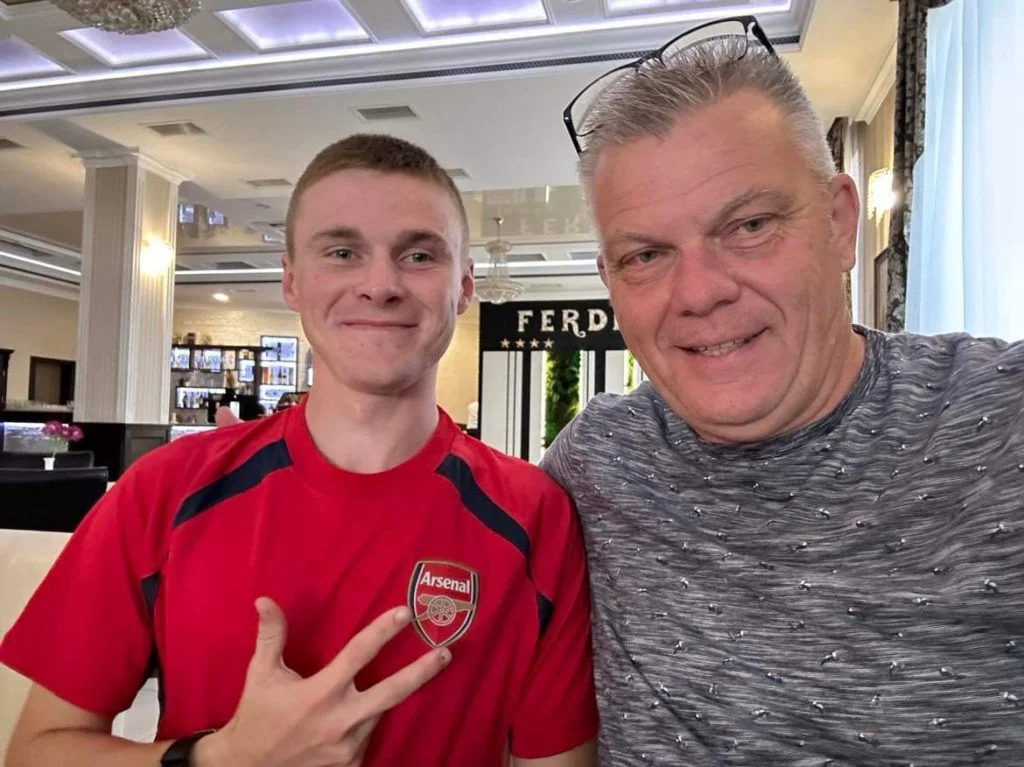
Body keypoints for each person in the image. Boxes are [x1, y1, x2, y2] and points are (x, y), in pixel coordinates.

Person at [1, 134, 598, 767]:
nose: (380, 284)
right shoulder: (165, 489)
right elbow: (36, 751)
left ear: (465, 287)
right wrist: (220, 761)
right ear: (290, 280)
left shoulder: (537, 515)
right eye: (342, 251)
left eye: (419, 255)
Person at [543, 16, 1024, 766]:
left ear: (840, 225)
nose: (698, 292)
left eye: (750, 225)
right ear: (612, 286)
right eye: (646, 255)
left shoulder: (1004, 421)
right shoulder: (593, 466)